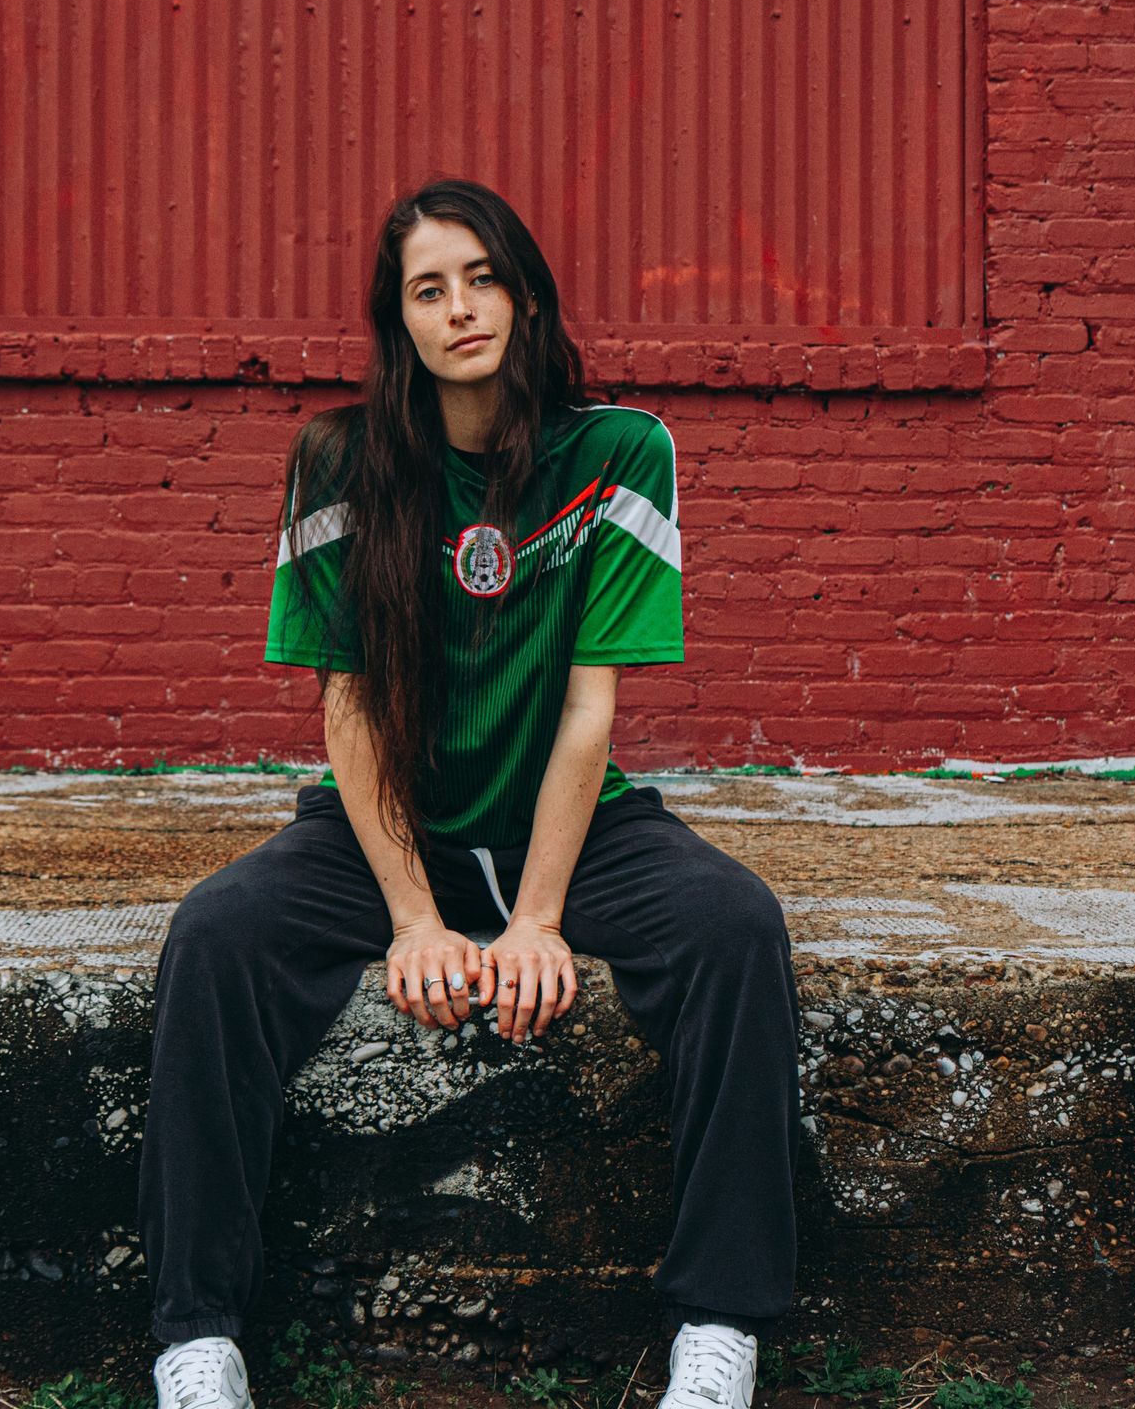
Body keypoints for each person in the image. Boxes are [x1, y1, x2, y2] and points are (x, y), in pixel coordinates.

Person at [138, 178, 803, 1409]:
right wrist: (413, 917)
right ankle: (197, 1337)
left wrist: (537, 918)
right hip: (389, 827)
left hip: (571, 825)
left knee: (735, 930)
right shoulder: (338, 461)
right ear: (401, 322)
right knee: (216, 937)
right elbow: (348, 711)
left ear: (529, 293)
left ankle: (720, 1328)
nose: (462, 309)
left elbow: (589, 707)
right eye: (428, 289)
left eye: (482, 277)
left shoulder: (618, 454)